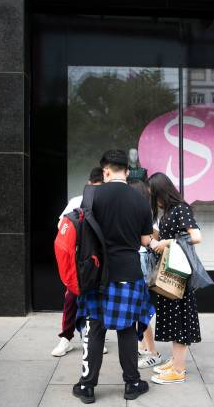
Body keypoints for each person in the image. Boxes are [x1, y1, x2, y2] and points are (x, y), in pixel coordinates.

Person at [73, 150, 154, 403]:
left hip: (95, 274)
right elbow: (144, 240)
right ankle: (132, 383)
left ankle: (87, 387)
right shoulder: (140, 200)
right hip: (127, 272)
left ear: (105, 170)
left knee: (94, 328)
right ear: (127, 172)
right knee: (127, 328)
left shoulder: (92, 196)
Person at [148, 172, 202, 385]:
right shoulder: (169, 212)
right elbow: (166, 237)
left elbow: (196, 237)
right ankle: (176, 361)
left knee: (179, 320)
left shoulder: (181, 208)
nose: (154, 200)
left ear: (162, 192)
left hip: (177, 276)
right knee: (173, 319)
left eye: (154, 195)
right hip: (169, 274)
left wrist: (167, 242)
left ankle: (178, 371)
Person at [51, 167, 107, 357]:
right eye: (96, 187)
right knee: (71, 297)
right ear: (90, 184)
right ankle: (66, 338)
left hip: (97, 259)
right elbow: (62, 225)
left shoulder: (107, 203)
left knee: (95, 299)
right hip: (77, 259)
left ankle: (90, 337)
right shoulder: (77, 200)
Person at [128, 179, 163, 369]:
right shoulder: (144, 211)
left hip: (140, 264)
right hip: (140, 263)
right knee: (139, 310)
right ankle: (144, 346)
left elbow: (148, 238)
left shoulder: (142, 212)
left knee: (141, 310)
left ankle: (153, 353)